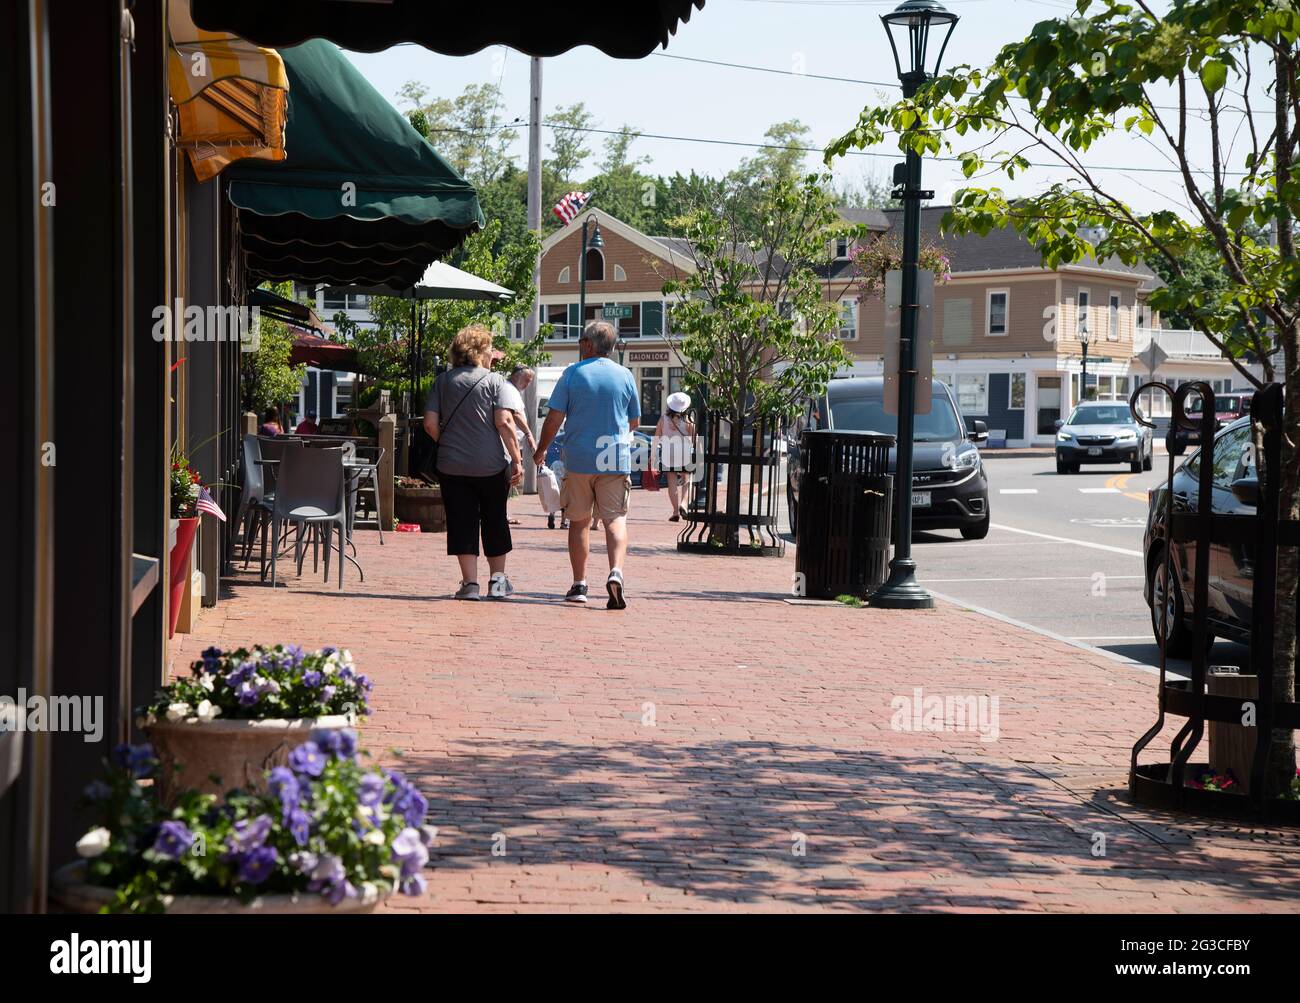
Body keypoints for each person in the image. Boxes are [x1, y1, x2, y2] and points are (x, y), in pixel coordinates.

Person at [533, 321, 639, 609]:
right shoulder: (625, 375)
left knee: (578, 520)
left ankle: (579, 583)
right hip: (615, 457)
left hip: (579, 458)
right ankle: (616, 570)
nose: (580, 344)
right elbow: (634, 422)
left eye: (581, 340)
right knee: (615, 519)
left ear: (590, 345)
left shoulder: (572, 374)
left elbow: (554, 419)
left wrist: (541, 450)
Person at [424, 325, 524, 601]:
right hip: (490, 465)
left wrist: (449, 441)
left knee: (462, 522)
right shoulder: (495, 382)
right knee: (495, 520)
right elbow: (504, 422)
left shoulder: (442, 382)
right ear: (479, 352)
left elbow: (430, 423)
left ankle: (470, 585)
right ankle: (498, 582)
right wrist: (517, 460)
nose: (493, 354)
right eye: (490, 349)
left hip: (451, 464)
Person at [656, 391, 695, 521]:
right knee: (687, 479)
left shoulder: (663, 419)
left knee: (671, 483)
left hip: (668, 452)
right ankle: (684, 503)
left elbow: (657, 437)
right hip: (683, 451)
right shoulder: (689, 420)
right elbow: (693, 438)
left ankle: (674, 512)